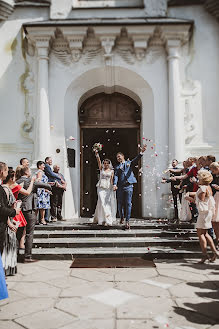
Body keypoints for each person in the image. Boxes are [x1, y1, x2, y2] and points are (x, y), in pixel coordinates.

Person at [17, 166, 51, 262]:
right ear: (27, 172)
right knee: (29, 233)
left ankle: (17, 254)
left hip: (19, 209)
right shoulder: (30, 181)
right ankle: (27, 256)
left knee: (19, 233)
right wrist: (50, 186)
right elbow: (46, 186)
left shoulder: (18, 181)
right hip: (29, 209)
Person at [185, 170, 218, 263]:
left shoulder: (203, 188)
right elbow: (200, 196)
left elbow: (201, 201)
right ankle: (215, 252)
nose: (197, 179)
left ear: (202, 179)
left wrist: (189, 199)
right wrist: (191, 194)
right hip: (207, 213)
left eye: (198, 177)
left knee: (201, 234)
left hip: (204, 213)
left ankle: (205, 255)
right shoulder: (207, 187)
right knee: (206, 234)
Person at [113, 144, 147, 229]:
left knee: (128, 203)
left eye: (119, 156)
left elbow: (136, 160)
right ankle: (121, 217)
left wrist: (141, 153)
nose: (118, 158)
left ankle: (127, 221)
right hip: (120, 187)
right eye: (117, 157)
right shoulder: (117, 167)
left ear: (123, 156)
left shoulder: (129, 163)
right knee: (120, 203)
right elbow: (116, 176)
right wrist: (115, 184)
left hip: (129, 186)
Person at [2, 168, 35, 253]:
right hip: (13, 210)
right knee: (18, 232)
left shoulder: (3, 185)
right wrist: (32, 181)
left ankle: (20, 247)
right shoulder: (13, 185)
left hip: (11, 209)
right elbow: (27, 192)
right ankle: (20, 247)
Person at [0, 162, 20, 255]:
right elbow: (2, 208)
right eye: (6, 171)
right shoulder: (3, 189)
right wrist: (14, 211)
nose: (7, 174)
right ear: (1, 172)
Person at [93, 151, 116, 226]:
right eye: (105, 163)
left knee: (107, 203)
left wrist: (114, 186)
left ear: (109, 164)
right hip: (101, 187)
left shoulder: (112, 171)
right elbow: (98, 161)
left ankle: (107, 219)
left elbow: (112, 180)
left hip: (108, 188)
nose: (106, 164)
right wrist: (97, 154)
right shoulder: (101, 169)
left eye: (107, 163)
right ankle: (101, 219)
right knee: (101, 202)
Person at [44, 157, 64, 222]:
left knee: (59, 203)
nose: (51, 161)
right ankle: (53, 217)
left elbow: (64, 181)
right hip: (54, 187)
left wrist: (63, 186)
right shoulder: (47, 166)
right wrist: (59, 177)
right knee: (54, 202)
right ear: (47, 161)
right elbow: (51, 174)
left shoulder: (60, 174)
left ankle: (59, 216)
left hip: (60, 189)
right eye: (50, 160)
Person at [210, 162, 219, 250]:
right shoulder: (214, 177)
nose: (212, 172)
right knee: (215, 219)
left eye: (213, 170)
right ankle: (217, 238)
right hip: (216, 196)